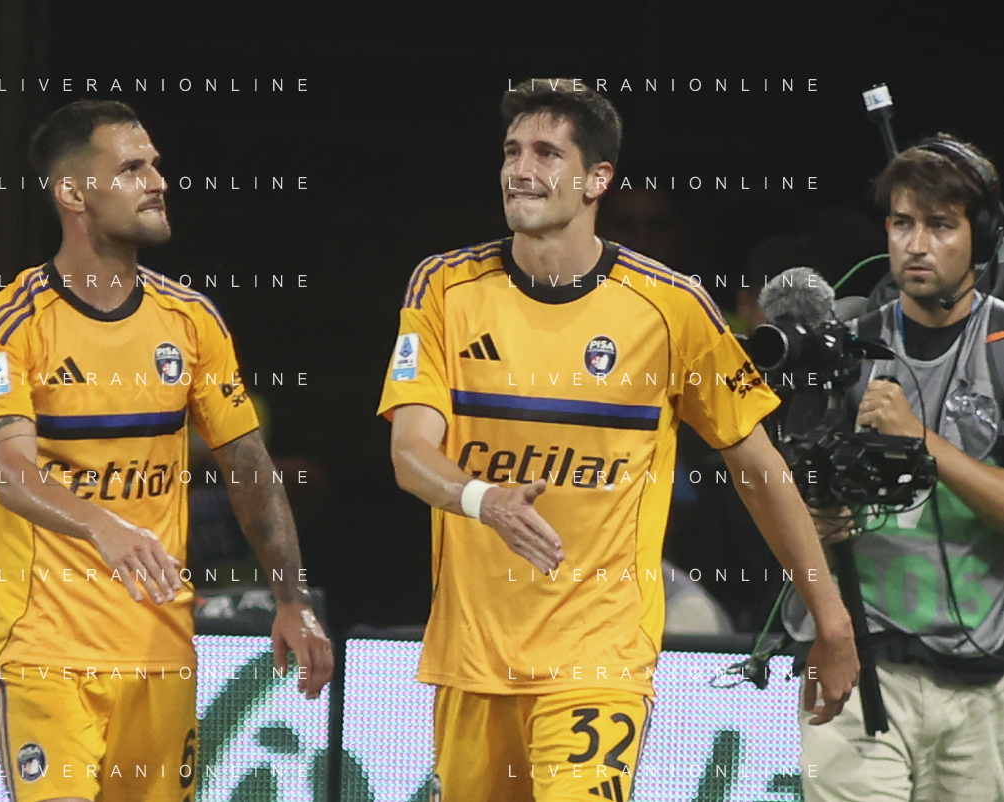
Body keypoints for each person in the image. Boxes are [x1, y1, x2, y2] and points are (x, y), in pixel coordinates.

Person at [377, 79, 858, 802]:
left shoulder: (671, 308)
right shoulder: (443, 288)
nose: (520, 169)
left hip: (598, 659)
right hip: (471, 660)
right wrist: (483, 500)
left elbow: (759, 467)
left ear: (597, 178)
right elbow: (411, 453)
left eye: (546, 153)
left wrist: (831, 619)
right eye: (511, 151)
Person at [0, 99, 332, 802]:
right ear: (73, 193)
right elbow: (10, 472)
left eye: (155, 165)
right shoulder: (6, 325)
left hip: (160, 654)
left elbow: (249, 468)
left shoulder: (190, 320)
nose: (158, 181)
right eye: (132, 168)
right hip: (46, 651)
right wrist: (103, 524)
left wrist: (291, 597)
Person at [785, 134, 1004, 802]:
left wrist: (920, 441)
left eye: (940, 225)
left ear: (980, 237)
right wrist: (816, 517)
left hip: (982, 687)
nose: (916, 244)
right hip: (858, 665)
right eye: (902, 223)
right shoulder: (841, 350)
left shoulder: (1000, 348)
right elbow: (787, 507)